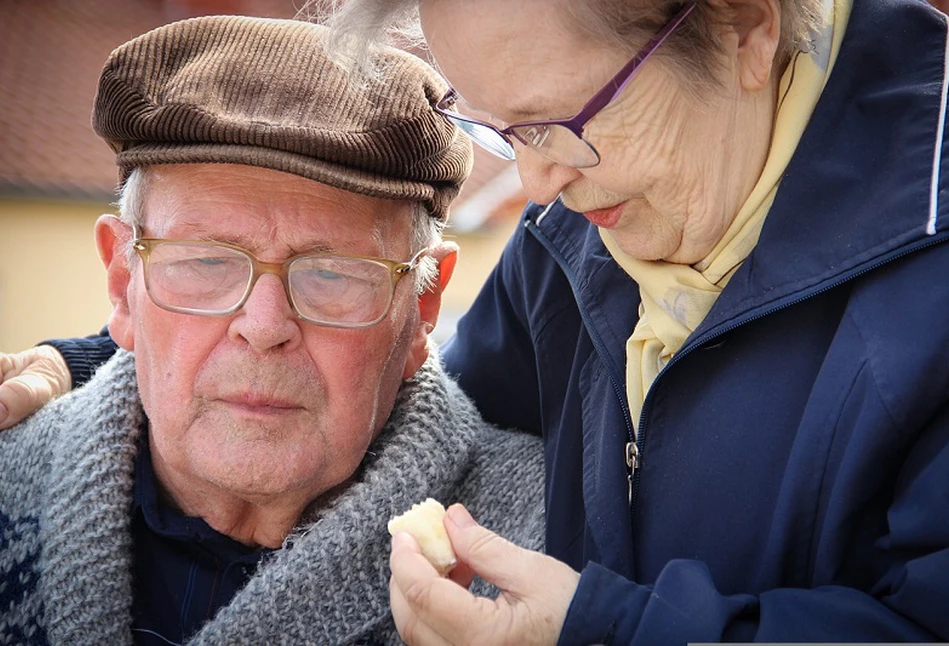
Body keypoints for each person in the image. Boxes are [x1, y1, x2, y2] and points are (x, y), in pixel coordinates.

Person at [3, 0, 949, 643]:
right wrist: (87, 367)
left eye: (561, 120)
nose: (533, 189)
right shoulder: (572, 237)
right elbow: (392, 376)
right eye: (500, 131)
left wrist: (605, 633)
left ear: (746, 27)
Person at [0, 15, 547, 645]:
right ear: (123, 282)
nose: (263, 328)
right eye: (206, 261)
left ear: (423, 306)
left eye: (333, 274)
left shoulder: (545, 549)